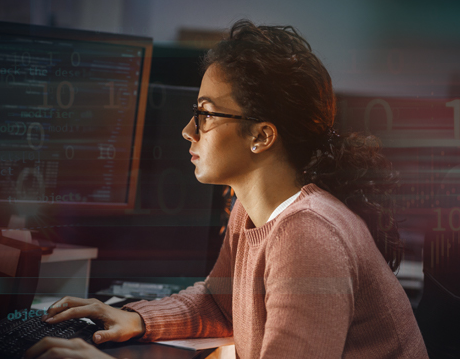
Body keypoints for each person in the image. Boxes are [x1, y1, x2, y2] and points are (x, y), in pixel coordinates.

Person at [24, 19, 429, 359]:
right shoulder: (251, 209)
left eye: (204, 114)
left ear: (261, 136)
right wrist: (139, 317)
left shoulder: (308, 234)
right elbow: (221, 303)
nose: (187, 131)